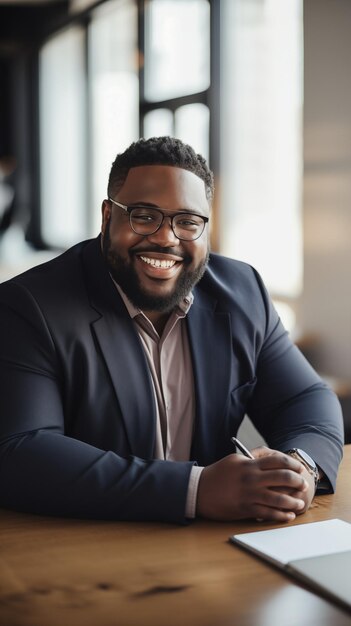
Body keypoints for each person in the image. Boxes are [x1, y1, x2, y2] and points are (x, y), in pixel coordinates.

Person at [0, 136, 344, 524]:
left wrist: (302, 468)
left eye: (187, 222)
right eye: (144, 216)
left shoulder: (243, 292)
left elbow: (304, 397)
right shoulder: (27, 305)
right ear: (107, 216)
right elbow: (19, 450)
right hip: (86, 544)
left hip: (212, 549)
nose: (166, 238)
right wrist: (196, 489)